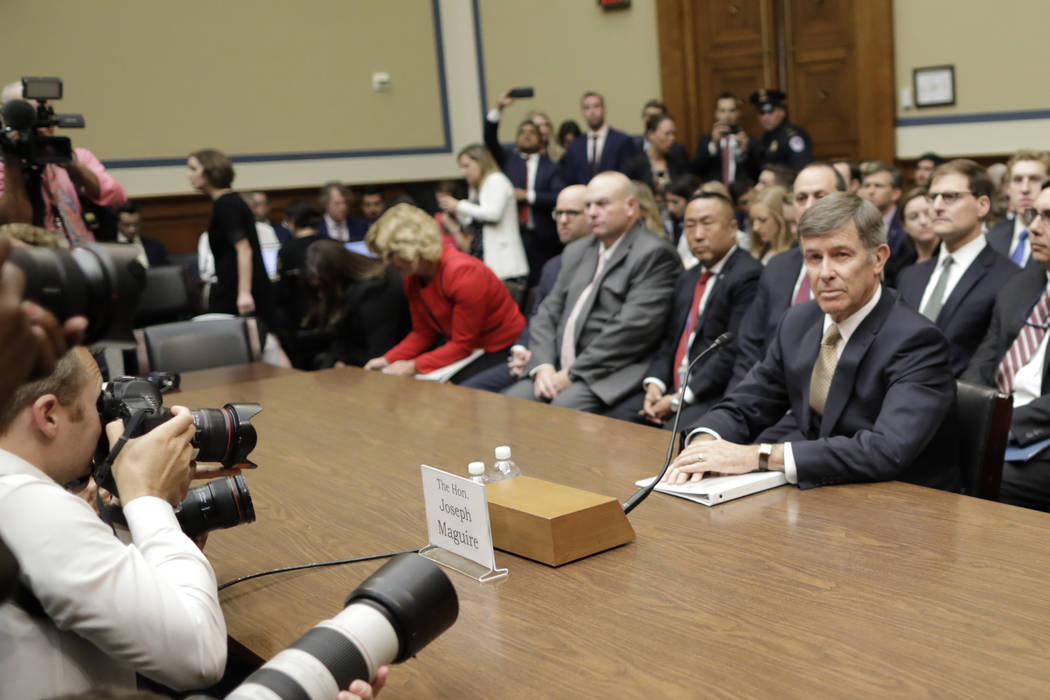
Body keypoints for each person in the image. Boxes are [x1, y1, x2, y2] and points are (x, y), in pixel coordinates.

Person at [664, 193, 957, 492]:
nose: (825, 273)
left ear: (878, 258)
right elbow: (748, 402)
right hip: (820, 488)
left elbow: (885, 450)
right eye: (814, 258)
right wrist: (705, 443)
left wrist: (759, 455)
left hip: (900, 501)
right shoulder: (799, 321)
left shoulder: (917, 340)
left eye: (841, 255)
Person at [0, 348, 226, 696]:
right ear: (48, 415)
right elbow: (201, 656)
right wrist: (150, 498)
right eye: (96, 405)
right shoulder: (34, 509)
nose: (104, 423)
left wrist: (127, 510)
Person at [502, 172, 681, 413]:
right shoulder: (577, 250)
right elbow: (547, 312)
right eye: (588, 205)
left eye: (602, 204)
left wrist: (571, 374)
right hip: (557, 366)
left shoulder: (654, 254)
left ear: (630, 207)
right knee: (509, 405)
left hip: (611, 372)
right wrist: (543, 365)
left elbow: (629, 331)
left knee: (560, 411)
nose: (592, 212)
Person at [604, 191, 760, 427]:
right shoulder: (688, 277)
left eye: (707, 224)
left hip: (709, 392)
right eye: (690, 226)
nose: (697, 236)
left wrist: (682, 397)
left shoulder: (748, 275)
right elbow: (670, 341)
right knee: (614, 420)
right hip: (671, 387)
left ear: (732, 228)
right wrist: (655, 384)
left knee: (670, 432)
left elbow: (732, 352)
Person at [363, 204, 525, 383]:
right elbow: (422, 332)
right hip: (466, 347)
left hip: (499, 347)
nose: (386, 263)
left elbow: (462, 345)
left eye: (391, 254)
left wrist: (413, 365)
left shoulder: (463, 273)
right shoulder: (412, 275)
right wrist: (387, 359)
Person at [962, 180, 1050, 510]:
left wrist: (998, 425)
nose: (1034, 229)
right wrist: (967, 414)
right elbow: (984, 361)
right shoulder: (1021, 285)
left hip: (1037, 434)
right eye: (1032, 215)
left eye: (1048, 217)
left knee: (989, 478)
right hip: (998, 424)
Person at [461, 185, 593, 394]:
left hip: (565, 363)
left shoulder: (601, 267)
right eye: (558, 213)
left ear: (592, 214)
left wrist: (541, 357)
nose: (563, 220)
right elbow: (537, 317)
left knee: (509, 402)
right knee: (467, 392)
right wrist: (521, 350)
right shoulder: (552, 267)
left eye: (572, 213)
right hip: (534, 357)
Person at [897, 160, 1018, 376]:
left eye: (950, 197)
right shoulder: (910, 276)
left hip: (962, 401)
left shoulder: (1010, 278)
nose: (936, 207)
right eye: (932, 197)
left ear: (982, 205)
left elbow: (992, 361)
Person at [731, 162, 846, 386]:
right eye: (801, 198)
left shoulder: (858, 268)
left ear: (843, 199)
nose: (810, 206)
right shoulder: (778, 266)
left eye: (820, 196)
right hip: (766, 394)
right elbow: (750, 345)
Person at [0, 81, 127, 244]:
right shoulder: (5, 166)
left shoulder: (78, 157)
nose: (43, 128)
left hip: (85, 256)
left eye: (46, 115)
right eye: (33, 119)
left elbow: (117, 198)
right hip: (33, 260)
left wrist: (76, 168)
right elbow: (14, 222)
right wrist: (13, 162)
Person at [186, 149, 276, 331]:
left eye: (193, 169)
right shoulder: (232, 201)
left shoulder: (225, 205)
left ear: (210, 172)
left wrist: (244, 293)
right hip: (243, 287)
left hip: (239, 290)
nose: (189, 175)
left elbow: (243, 248)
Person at [484, 90, 566, 286]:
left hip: (542, 238)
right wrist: (499, 108)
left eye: (532, 133)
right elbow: (489, 138)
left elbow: (558, 196)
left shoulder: (552, 168)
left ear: (541, 140)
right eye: (522, 133)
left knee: (543, 283)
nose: (527, 136)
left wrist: (528, 196)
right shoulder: (508, 161)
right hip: (513, 236)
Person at [303, 239, 410, 368]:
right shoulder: (351, 290)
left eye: (324, 288)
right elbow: (342, 341)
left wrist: (344, 361)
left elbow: (378, 353)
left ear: (338, 276)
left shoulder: (376, 291)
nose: (321, 295)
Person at [436, 144, 530, 289]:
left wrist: (460, 205)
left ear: (480, 162)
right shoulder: (478, 187)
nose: (463, 172)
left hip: (505, 267)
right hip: (486, 264)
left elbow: (493, 214)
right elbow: (472, 227)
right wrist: (456, 213)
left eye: (466, 166)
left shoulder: (496, 180)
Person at [985, 150, 1050, 268]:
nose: (1025, 189)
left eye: (1034, 179)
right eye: (1018, 180)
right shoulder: (991, 237)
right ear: (1007, 188)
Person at [560, 92, 637, 185]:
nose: (592, 112)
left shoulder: (622, 140)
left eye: (596, 106)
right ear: (582, 112)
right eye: (587, 108)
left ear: (604, 109)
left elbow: (626, 176)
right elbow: (570, 178)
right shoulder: (574, 145)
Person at [689, 93, 763, 187]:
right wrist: (713, 144)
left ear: (738, 113)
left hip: (742, 193)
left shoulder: (752, 142)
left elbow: (757, 174)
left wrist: (744, 152)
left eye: (732, 110)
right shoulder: (705, 141)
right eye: (722, 111)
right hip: (715, 194)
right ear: (716, 113)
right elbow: (696, 171)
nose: (727, 115)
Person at [625, 114, 689, 198]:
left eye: (673, 133)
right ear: (651, 134)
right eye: (667, 133)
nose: (672, 138)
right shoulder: (635, 165)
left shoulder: (678, 160)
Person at [750, 89, 812, 172]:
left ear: (782, 112)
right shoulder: (767, 135)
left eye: (770, 111)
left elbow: (801, 168)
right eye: (761, 112)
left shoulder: (793, 136)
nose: (765, 117)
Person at [115, 201, 168, 268]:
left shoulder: (156, 247)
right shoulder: (108, 248)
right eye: (126, 225)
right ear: (118, 224)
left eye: (136, 224)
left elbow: (165, 273)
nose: (132, 230)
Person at [747, 185, 791, 264]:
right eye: (753, 221)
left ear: (780, 218)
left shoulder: (795, 253)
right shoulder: (760, 250)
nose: (755, 228)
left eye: (763, 220)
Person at [898, 187, 938, 263]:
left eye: (928, 213)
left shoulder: (951, 257)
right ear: (904, 226)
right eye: (914, 217)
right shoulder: (901, 267)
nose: (923, 221)